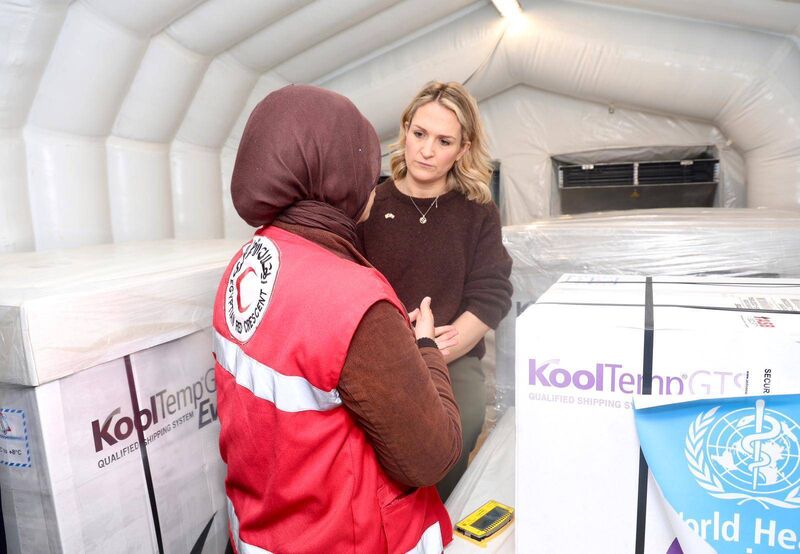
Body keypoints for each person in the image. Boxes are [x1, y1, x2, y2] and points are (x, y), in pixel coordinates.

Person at [213, 84, 462, 553]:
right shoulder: (354, 301)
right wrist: (424, 348)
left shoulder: (248, 261)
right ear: (335, 173)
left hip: (262, 534)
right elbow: (429, 455)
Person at [358, 81, 513, 501]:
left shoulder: (477, 210)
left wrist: (443, 346)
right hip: (379, 358)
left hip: (451, 358)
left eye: (444, 141)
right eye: (420, 134)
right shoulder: (369, 203)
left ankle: (438, 526)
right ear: (405, 129)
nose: (427, 151)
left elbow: (493, 289)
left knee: (450, 439)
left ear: (462, 149)